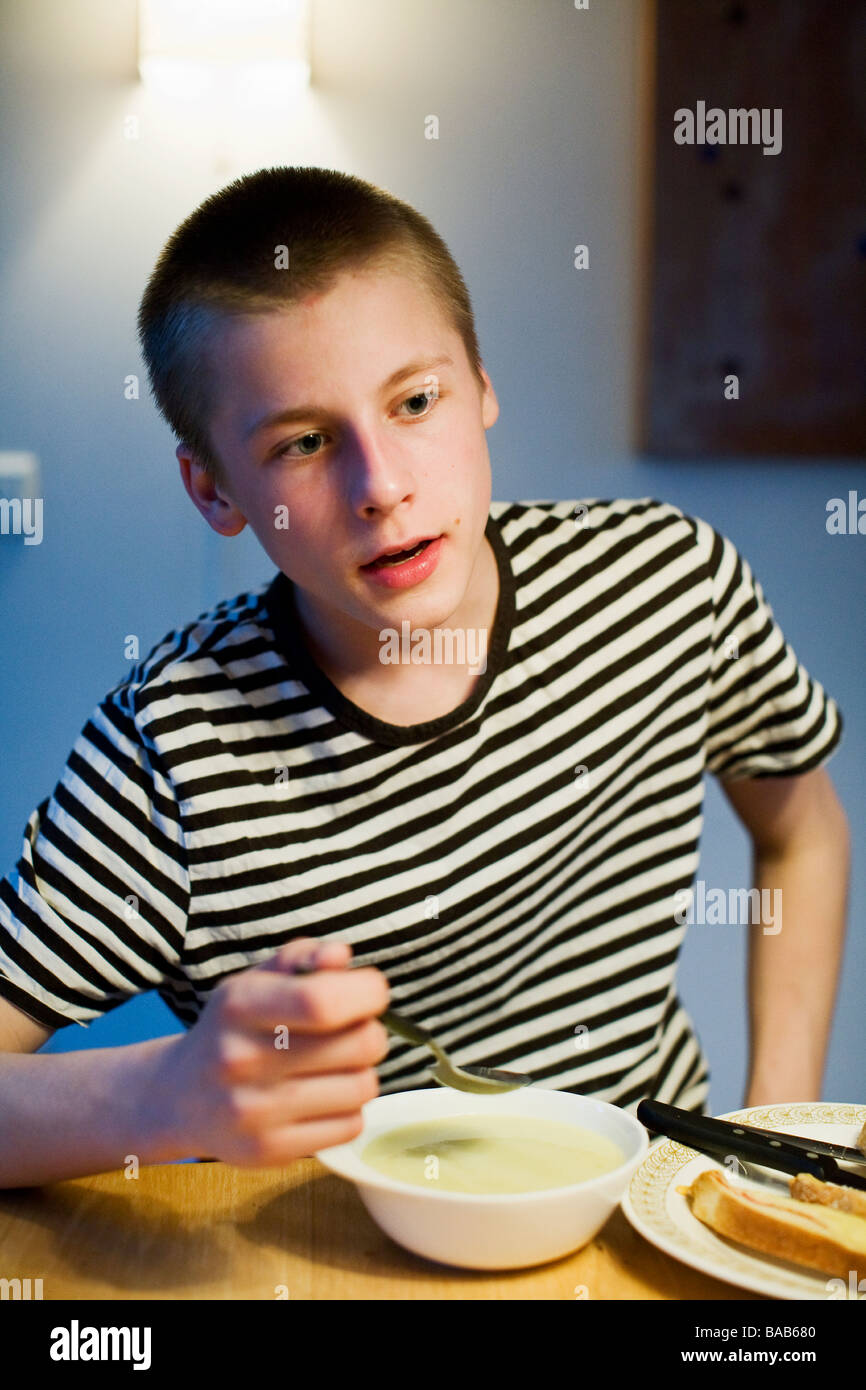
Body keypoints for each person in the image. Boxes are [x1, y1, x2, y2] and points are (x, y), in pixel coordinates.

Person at [0, 167, 849, 1188]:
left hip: (644, 1210)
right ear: (214, 489)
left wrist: (767, 1134)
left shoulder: (670, 585)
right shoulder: (170, 751)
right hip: (331, 1254)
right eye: (302, 442)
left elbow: (799, 828)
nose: (381, 485)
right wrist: (163, 1094)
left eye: (413, 400)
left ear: (480, 383)